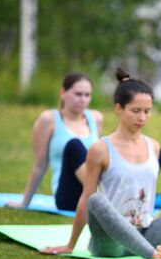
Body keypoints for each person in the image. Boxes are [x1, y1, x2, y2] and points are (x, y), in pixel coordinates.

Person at [42, 68, 161, 259]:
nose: (142, 118)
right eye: (136, 111)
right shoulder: (101, 149)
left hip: (147, 235)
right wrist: (70, 244)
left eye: (147, 111)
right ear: (119, 108)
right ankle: (151, 256)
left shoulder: (154, 147)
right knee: (95, 199)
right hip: (110, 243)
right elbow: (86, 198)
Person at [7, 73, 103, 211]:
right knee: (74, 146)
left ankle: (103, 195)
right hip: (68, 196)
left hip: (92, 192)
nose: (83, 100)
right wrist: (24, 202)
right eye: (78, 94)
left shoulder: (96, 118)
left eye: (87, 95)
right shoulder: (48, 120)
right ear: (63, 93)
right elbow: (39, 166)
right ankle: (102, 195)